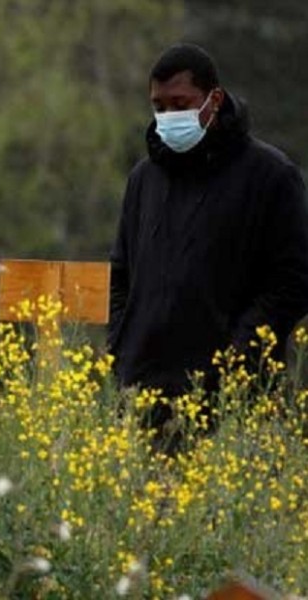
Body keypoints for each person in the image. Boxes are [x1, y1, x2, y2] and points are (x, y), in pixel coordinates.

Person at [108, 43, 308, 419]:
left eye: (180, 104)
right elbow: (120, 275)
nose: (168, 116)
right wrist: (123, 349)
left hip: (232, 402)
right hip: (143, 397)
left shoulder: (271, 177)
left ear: (213, 100)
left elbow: (292, 285)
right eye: (159, 107)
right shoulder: (144, 179)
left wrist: (237, 358)